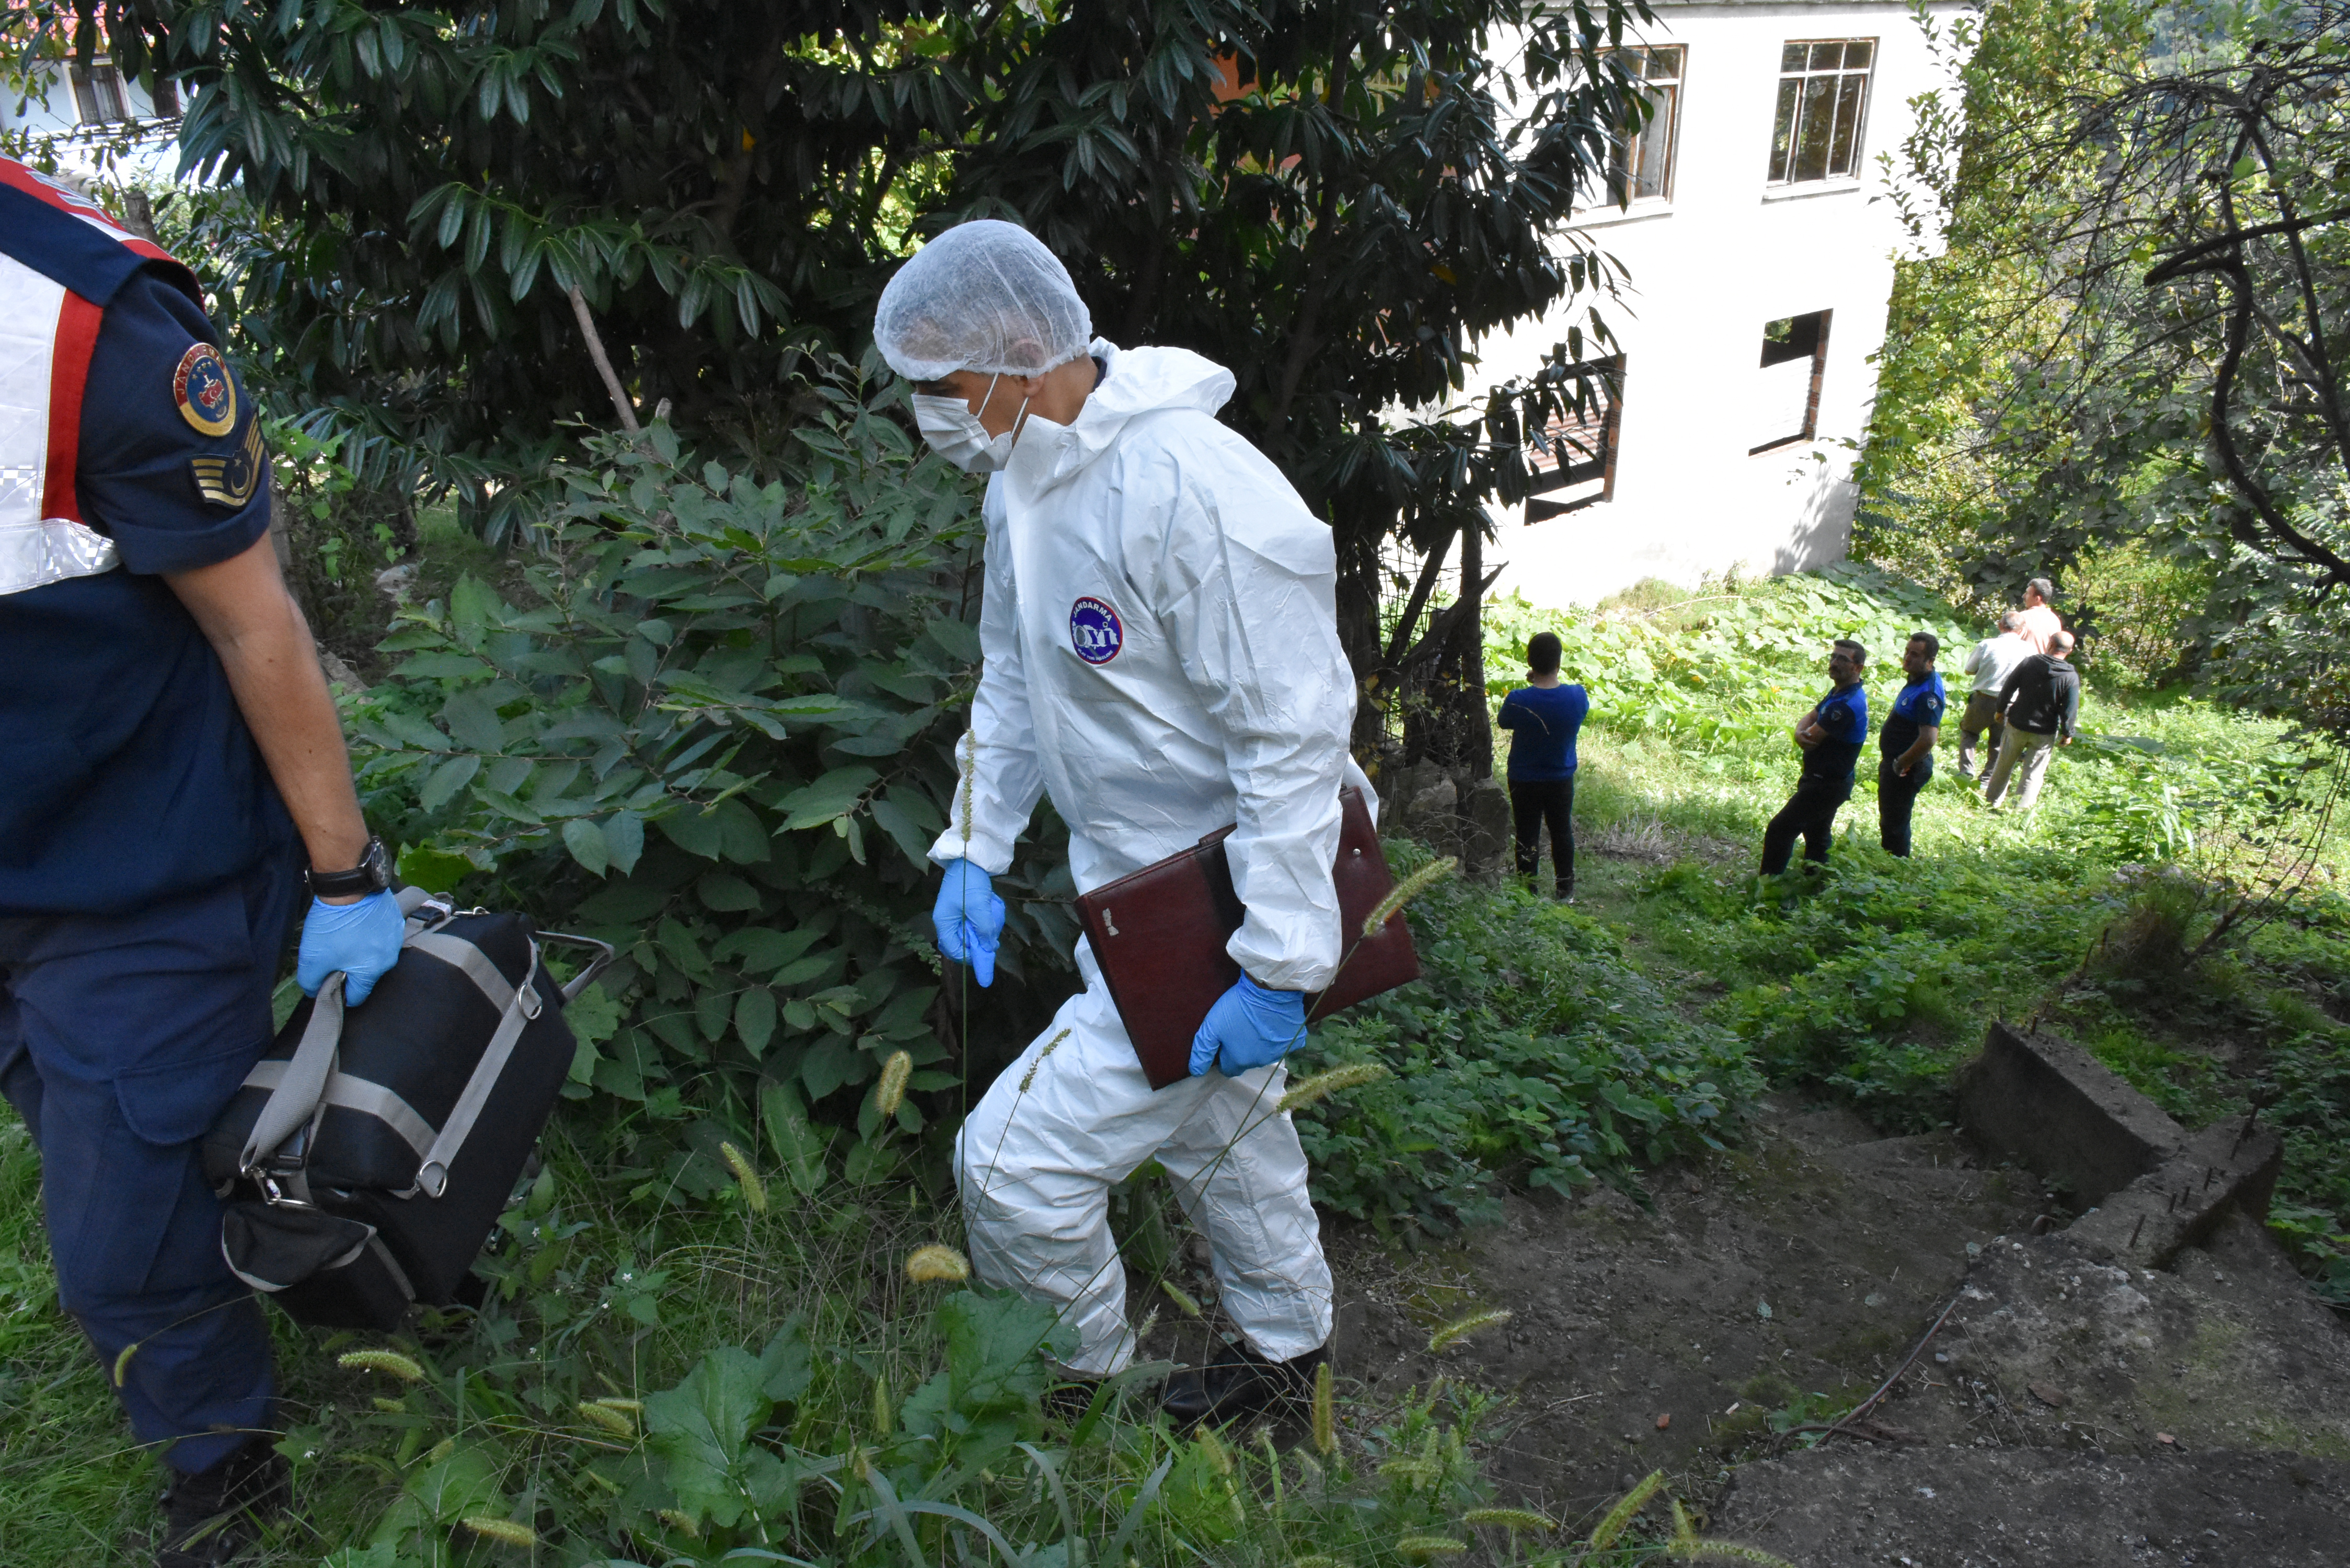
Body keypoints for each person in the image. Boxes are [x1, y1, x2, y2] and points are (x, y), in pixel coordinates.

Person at [875, 220, 1367, 1426]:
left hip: (1224, 907)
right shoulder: (1026, 491)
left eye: (939, 389)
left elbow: (1291, 730)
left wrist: (1281, 960)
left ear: (1020, 358)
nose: (928, 416)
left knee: (1007, 1165)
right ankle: (1283, 1361)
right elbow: (1010, 678)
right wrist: (976, 845)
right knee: (1228, 1136)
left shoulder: (1189, 485)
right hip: (1136, 898)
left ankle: (1079, 1387)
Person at [0, 159, 406, 1566]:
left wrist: (345, 874)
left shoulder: (89, 329)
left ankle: (226, 1474)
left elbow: (258, 628)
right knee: (86, 1137)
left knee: (122, 1243)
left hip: (136, 872)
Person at [1759, 640, 1869, 874]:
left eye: (1843, 659)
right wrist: (1800, 732)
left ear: (1857, 668)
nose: (1834, 663)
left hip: (1826, 784)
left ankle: (1768, 886)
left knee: (1781, 829)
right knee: (1817, 835)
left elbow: (1812, 737)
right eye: (1833, 657)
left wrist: (1801, 735)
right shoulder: (1840, 692)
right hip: (1825, 779)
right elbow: (1811, 717)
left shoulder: (1846, 706)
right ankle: (1816, 886)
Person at [1495, 631, 1588, 901]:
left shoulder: (1518, 699)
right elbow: (1577, 713)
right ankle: (1565, 890)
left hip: (1524, 778)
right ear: (1559, 662)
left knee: (1527, 834)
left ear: (1530, 662)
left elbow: (1504, 722)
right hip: (1561, 777)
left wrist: (1531, 685)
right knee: (1561, 832)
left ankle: (1527, 893)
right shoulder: (1577, 696)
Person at [1982, 629, 2081, 810]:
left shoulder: (2030, 663)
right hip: (2045, 731)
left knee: (2003, 766)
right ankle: (2020, 811)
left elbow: (2009, 687)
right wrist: (2068, 732)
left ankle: (1992, 803)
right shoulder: (2070, 677)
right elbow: (2070, 708)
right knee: (2033, 773)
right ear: (2070, 651)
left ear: (2050, 644)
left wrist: (2000, 710)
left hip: (2017, 724)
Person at [1877, 633, 1946, 857]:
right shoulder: (1917, 679)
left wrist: (1901, 763)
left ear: (1930, 661)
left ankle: (1895, 867)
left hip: (1907, 768)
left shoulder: (1928, 692)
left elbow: (1928, 739)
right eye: (1907, 651)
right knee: (1890, 818)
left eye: (1915, 655)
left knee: (1895, 823)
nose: (1907, 658)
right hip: (1897, 763)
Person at [1956, 612, 2031, 781]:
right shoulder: (2028, 651)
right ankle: (1987, 779)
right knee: (1999, 742)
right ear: (2022, 630)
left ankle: (1966, 772)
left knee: (1969, 733)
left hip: (1983, 698)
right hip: (2011, 705)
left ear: (2000, 626)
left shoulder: (1987, 645)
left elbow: (1969, 669)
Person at [2017, 577, 2063, 655]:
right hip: (2045, 665)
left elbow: (2012, 643)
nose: (2024, 596)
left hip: (2025, 665)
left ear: (2037, 599)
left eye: (2027, 593)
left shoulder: (2023, 617)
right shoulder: (2055, 620)